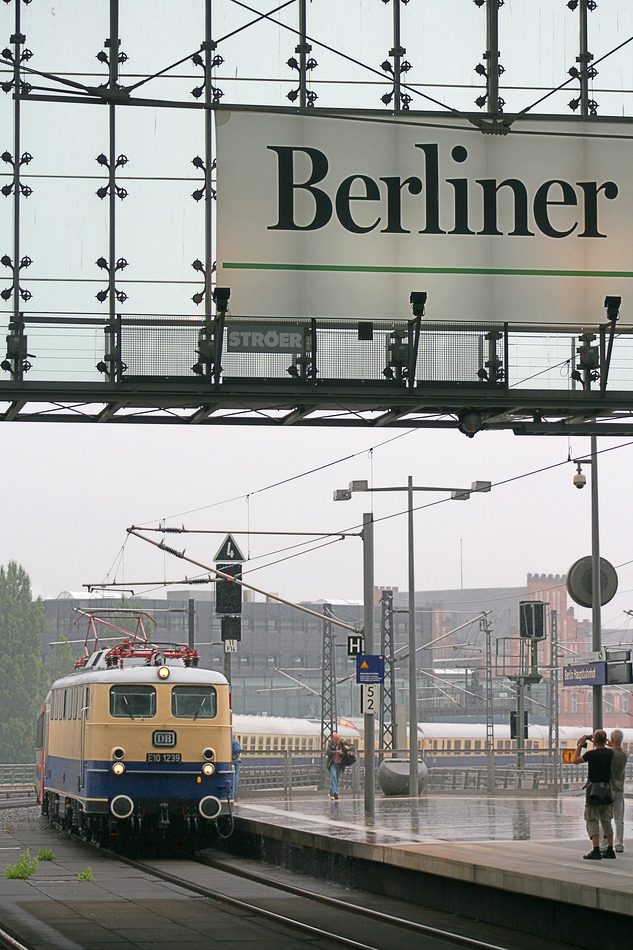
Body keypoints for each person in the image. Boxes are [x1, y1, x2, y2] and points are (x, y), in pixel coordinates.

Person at [573, 729, 615, 860]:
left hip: (593, 791)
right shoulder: (611, 753)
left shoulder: (591, 754)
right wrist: (607, 743)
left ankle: (596, 849)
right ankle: (610, 849)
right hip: (607, 790)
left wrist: (580, 745)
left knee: (592, 819)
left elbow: (576, 760)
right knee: (606, 819)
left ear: (594, 741)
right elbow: (612, 749)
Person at [599, 729, 628, 854]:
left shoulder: (609, 753)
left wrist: (605, 744)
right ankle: (619, 844)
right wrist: (611, 744)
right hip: (620, 789)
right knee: (619, 818)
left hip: (609, 789)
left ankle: (604, 843)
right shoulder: (626, 753)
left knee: (605, 817)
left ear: (611, 740)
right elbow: (617, 749)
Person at [326, 732, 351, 800]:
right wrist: (336, 752)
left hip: (340, 764)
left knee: (337, 779)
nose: (337, 741)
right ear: (333, 740)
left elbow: (352, 746)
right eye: (336, 740)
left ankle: (331, 793)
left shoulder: (342, 743)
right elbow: (327, 752)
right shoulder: (331, 744)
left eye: (338, 740)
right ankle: (336, 793)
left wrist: (348, 747)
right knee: (333, 777)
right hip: (333, 763)